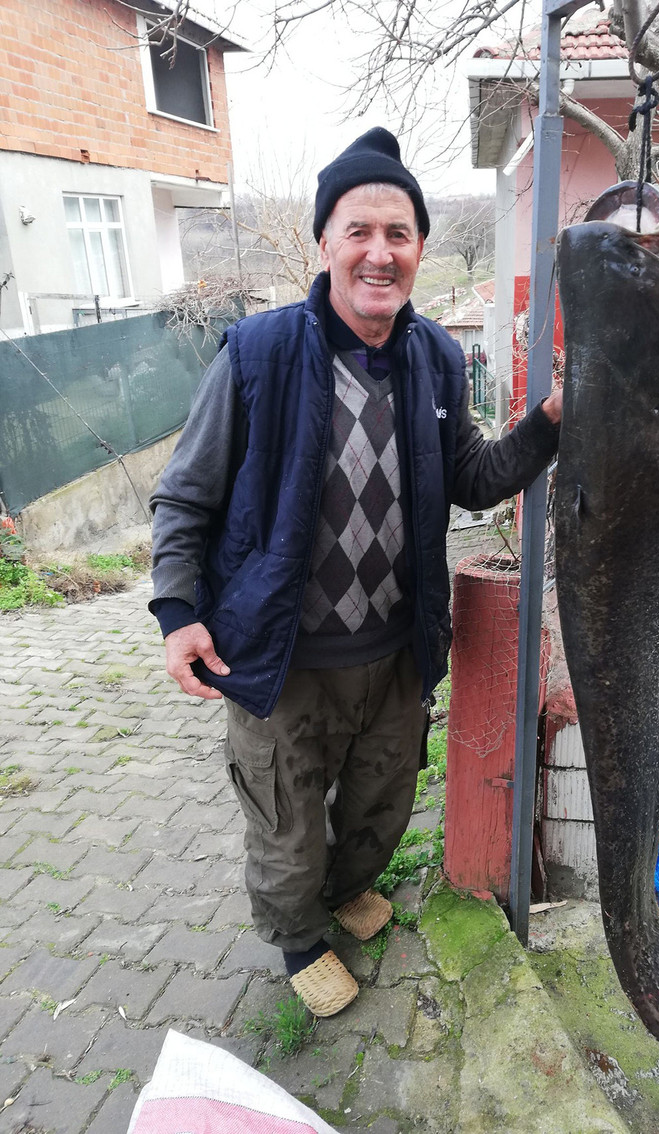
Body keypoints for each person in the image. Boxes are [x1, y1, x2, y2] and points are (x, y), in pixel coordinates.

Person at [149, 127, 562, 1018]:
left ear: (419, 248)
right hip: (283, 654)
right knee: (287, 819)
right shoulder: (257, 356)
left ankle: (344, 894)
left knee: (380, 804)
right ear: (325, 241)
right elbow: (185, 496)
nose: (380, 252)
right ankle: (298, 935)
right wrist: (179, 611)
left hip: (396, 651)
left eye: (399, 234)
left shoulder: (436, 360)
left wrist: (551, 423)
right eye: (359, 230)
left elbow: (474, 479)